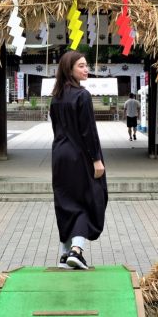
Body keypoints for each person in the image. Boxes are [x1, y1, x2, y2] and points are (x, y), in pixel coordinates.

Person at [49, 51, 108, 270]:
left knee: (65, 202)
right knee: (87, 200)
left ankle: (65, 254)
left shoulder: (56, 97)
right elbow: (88, 131)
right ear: (69, 69)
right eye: (82, 66)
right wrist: (96, 160)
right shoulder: (82, 95)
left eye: (86, 66)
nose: (86, 69)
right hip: (79, 156)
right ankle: (77, 250)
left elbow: (56, 129)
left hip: (60, 155)